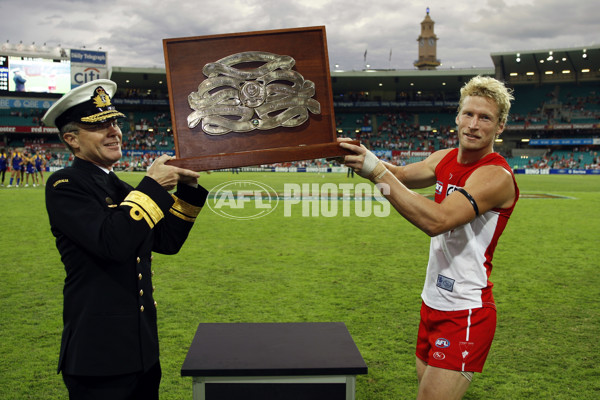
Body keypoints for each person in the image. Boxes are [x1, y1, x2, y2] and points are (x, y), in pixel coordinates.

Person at [339, 75, 519, 400]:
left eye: (485, 117)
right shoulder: (443, 157)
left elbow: (439, 220)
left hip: (465, 310)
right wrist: (356, 156)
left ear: (500, 127)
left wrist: (375, 171)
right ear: (457, 116)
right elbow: (404, 175)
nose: (474, 124)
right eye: (468, 114)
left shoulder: (496, 175)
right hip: (432, 303)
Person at [42, 79, 209, 400]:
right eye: (99, 126)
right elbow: (112, 243)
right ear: (71, 140)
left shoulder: (119, 187)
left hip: (140, 348)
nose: (114, 131)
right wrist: (153, 185)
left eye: (114, 123)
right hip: (98, 354)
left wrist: (187, 186)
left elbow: (166, 242)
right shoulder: (65, 183)